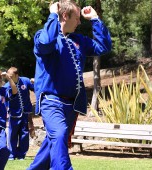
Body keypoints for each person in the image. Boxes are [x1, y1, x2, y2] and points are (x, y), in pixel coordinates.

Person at [28, 1, 112, 170]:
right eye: (77, 18)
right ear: (65, 16)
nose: (80, 22)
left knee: (52, 144)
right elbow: (45, 43)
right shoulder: (43, 36)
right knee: (59, 135)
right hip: (51, 101)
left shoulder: (78, 40)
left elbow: (103, 47)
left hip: (72, 105)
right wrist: (53, 15)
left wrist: (95, 19)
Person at [4, 67, 34, 160]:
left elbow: (35, 88)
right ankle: (12, 154)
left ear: (16, 75)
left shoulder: (25, 81)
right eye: (8, 75)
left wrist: (35, 82)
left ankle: (21, 154)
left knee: (24, 134)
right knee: (12, 134)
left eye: (11, 75)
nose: (9, 77)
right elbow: (5, 100)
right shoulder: (7, 86)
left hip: (25, 113)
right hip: (13, 114)